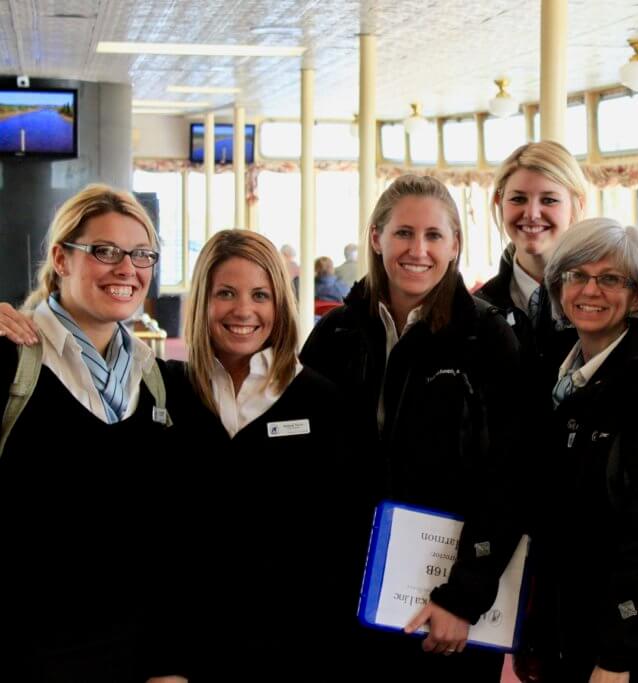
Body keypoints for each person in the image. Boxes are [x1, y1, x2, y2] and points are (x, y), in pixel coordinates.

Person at [299, 174, 523, 682]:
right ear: (376, 238)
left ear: (455, 245)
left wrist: (464, 595)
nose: (416, 250)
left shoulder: (487, 339)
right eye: (402, 233)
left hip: (445, 603)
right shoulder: (334, 335)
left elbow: (509, 478)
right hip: (344, 594)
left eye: (433, 236)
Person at [0, 184, 186, 683]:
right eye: (105, 251)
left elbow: (167, 539)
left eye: (141, 254)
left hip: (132, 655)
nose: (127, 269)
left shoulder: (156, 380)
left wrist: (168, 660)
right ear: (60, 258)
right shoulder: (11, 360)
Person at [161, 229, 356, 682]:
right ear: (202, 301)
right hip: (190, 651)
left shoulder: (322, 402)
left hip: (293, 650)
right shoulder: (167, 390)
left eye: (260, 295)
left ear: (280, 304)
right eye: (225, 293)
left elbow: (340, 545)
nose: (243, 310)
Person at [532, 218, 638, 682]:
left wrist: (616, 656)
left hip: (632, 642)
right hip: (570, 623)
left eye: (610, 279)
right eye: (577, 275)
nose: (591, 290)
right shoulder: (552, 370)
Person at [476, 140, 638, 388]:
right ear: (498, 202)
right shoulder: (482, 306)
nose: (532, 213)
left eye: (549, 200)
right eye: (518, 199)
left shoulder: (620, 282)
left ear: (577, 205)